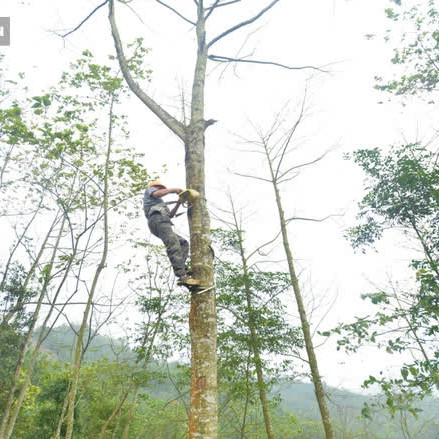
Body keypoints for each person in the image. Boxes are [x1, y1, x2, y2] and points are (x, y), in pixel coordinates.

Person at [143, 181, 200, 287]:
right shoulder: (150, 191)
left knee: (182, 243)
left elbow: (171, 215)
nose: (160, 190)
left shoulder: (160, 203)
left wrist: (179, 202)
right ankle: (182, 276)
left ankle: (183, 270)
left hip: (163, 221)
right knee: (173, 244)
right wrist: (173, 190)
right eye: (159, 188)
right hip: (157, 219)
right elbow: (156, 193)